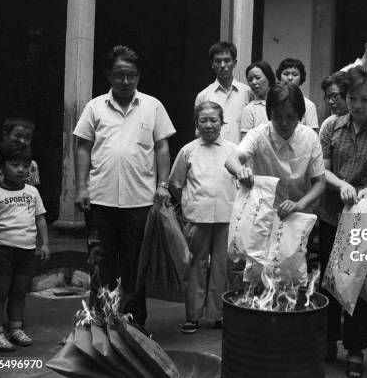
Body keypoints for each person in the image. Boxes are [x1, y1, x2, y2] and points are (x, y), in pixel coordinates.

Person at [74, 45, 175, 330]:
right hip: (100, 200)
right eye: (120, 75)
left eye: (131, 75)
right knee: (100, 265)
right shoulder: (94, 107)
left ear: (138, 76)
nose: (125, 80)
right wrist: (81, 187)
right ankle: (100, 326)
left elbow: (162, 147)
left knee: (135, 267)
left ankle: (134, 327)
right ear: (109, 75)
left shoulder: (153, 106)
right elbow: (83, 148)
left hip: (140, 201)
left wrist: (163, 185)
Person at [319, 66, 367, 378]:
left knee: (359, 284)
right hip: (330, 214)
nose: (357, 105)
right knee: (329, 280)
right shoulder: (331, 127)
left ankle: (355, 349)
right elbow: (321, 169)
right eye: (352, 98)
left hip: (365, 217)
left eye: (365, 99)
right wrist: (341, 185)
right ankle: (326, 340)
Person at [169, 102, 236, 334]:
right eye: (203, 120)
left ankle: (218, 315)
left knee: (221, 266)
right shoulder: (188, 150)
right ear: (196, 123)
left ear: (222, 122)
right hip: (196, 217)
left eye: (214, 120)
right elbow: (176, 184)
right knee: (196, 266)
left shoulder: (233, 150)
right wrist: (190, 203)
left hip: (226, 217)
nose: (209, 125)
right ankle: (193, 316)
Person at [0, 140, 50, 351]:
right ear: (0, 167)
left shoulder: (32, 192)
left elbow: (40, 219)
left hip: (27, 251)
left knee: (20, 291)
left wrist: (45, 243)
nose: (21, 170)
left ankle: (15, 328)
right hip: (2, 250)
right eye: (14, 164)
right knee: (0, 291)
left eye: (25, 165)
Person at [225, 83, 325, 219]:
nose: (284, 123)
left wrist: (300, 204)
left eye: (290, 117)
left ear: (300, 115)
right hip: (263, 214)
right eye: (277, 116)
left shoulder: (310, 137)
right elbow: (232, 160)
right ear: (269, 114)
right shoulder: (259, 135)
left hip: (300, 215)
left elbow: (319, 182)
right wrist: (240, 171)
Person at [195, 42, 252, 144]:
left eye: (227, 60)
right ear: (212, 64)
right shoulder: (203, 96)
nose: (222, 65)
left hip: (240, 156)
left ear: (234, 63)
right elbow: (199, 132)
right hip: (212, 156)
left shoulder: (247, 92)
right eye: (218, 61)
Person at [275, 58, 319, 131]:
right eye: (286, 74)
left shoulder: (308, 105)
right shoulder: (272, 101)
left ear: (301, 78)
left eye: (295, 74)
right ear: (279, 76)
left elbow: (312, 135)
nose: (290, 78)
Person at [0, 118, 40, 186]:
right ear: (5, 135)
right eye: (18, 136)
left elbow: (32, 193)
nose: (22, 141)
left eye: (27, 138)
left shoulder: (32, 165)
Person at [240, 61, 277, 137]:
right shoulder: (250, 109)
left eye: (258, 78)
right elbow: (246, 143)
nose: (253, 82)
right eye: (250, 79)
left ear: (269, 77)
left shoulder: (283, 101)